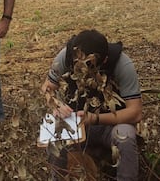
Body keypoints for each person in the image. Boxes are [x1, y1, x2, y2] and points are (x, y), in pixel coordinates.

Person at [41, 29, 143, 181]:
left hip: (112, 124)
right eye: (78, 64)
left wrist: (95, 118)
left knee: (125, 137)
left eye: (89, 65)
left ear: (104, 60)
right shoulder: (65, 56)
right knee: (54, 137)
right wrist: (55, 104)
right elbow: (47, 88)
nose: (82, 71)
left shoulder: (122, 64)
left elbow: (135, 112)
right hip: (76, 123)